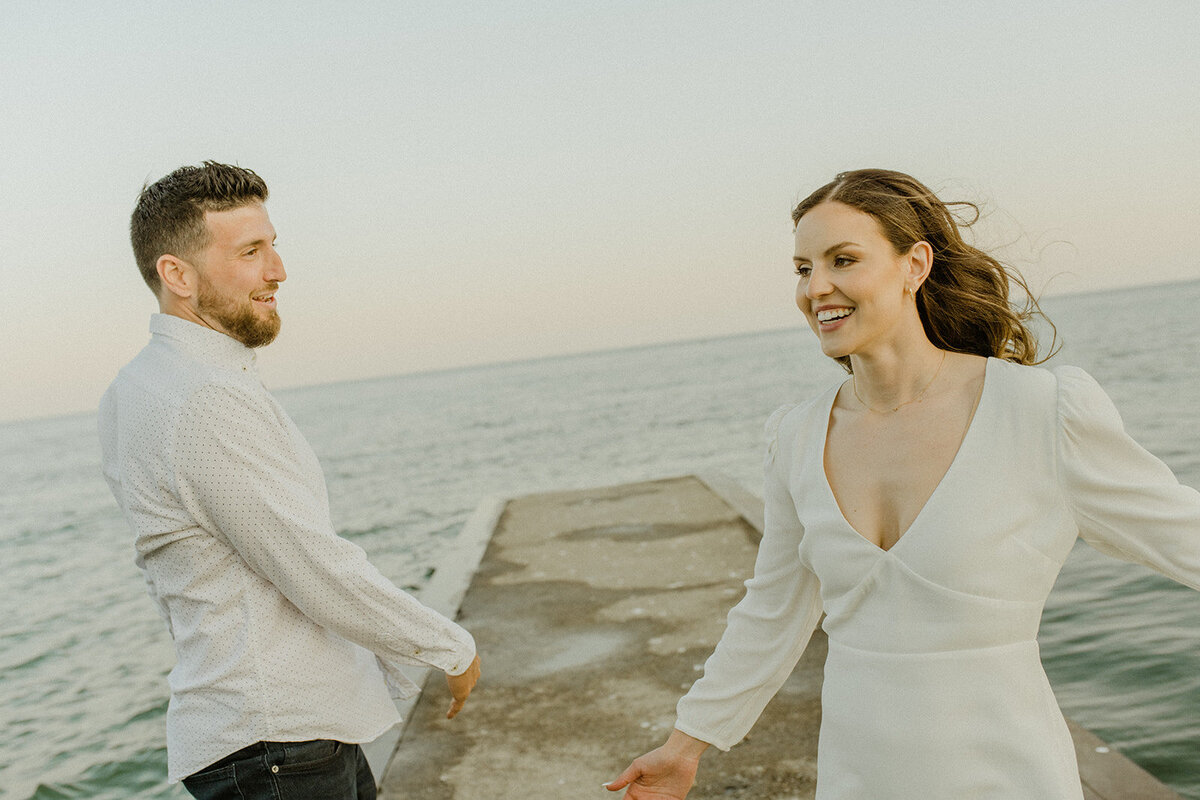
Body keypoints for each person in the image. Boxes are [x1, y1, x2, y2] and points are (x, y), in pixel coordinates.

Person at [606, 169, 1200, 799]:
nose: (817, 288)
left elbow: (1184, 537)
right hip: (859, 775)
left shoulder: (1041, 410)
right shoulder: (797, 438)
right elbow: (773, 610)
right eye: (803, 268)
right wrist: (687, 743)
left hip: (1009, 774)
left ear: (914, 264)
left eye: (843, 260)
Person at [99, 161, 481, 800]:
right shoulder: (202, 398)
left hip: (276, 737)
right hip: (276, 745)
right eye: (251, 251)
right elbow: (306, 562)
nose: (278, 270)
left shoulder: (139, 388)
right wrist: (447, 645)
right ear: (177, 275)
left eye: (273, 245)